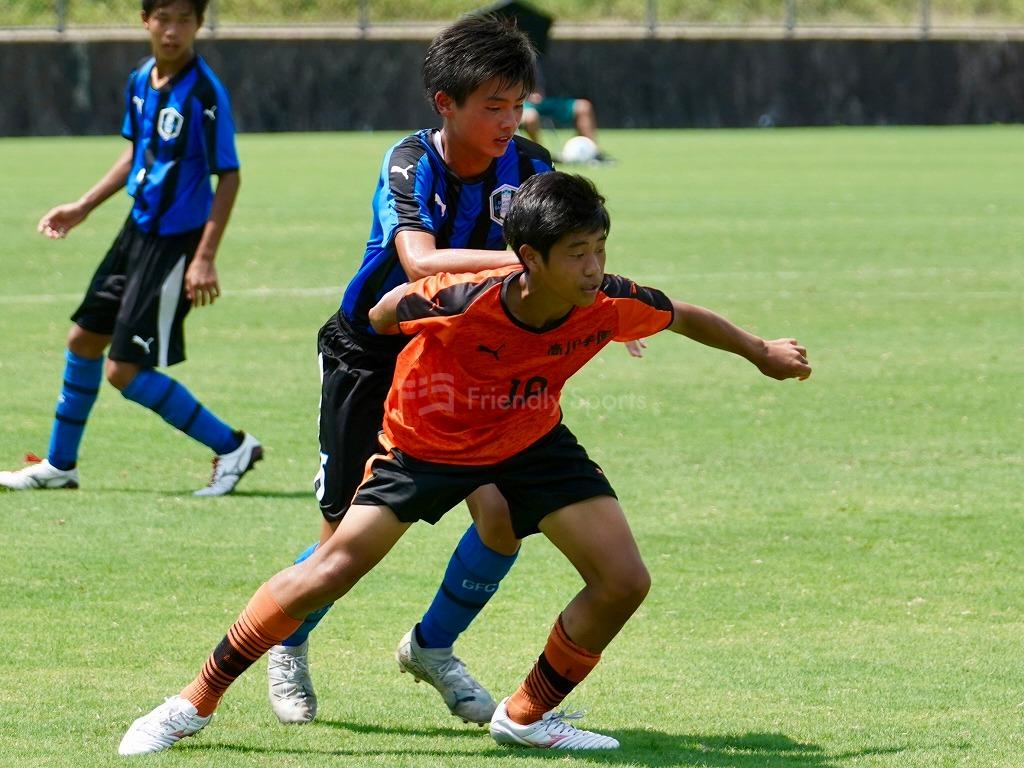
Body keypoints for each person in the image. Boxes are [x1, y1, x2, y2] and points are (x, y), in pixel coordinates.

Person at [118, 171, 812, 755]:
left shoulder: (606, 303)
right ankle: (193, 702)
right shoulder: (459, 298)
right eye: (577, 252)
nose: (594, 266)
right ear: (529, 259)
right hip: (425, 444)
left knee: (623, 580)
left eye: (599, 247)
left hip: (528, 440)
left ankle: (527, 716)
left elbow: (684, 314)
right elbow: (386, 312)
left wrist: (761, 352)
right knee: (330, 569)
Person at [264, 13, 554, 728]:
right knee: (342, 537)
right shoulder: (409, 162)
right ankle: (286, 643)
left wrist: (588, 296)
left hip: (463, 358)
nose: (508, 120)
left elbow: (564, 257)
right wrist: (527, 262)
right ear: (444, 104)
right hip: (371, 356)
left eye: (517, 104)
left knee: (502, 519)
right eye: (493, 106)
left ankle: (432, 646)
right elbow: (421, 262)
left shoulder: (533, 168)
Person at [0, 0, 261, 497]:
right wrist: (83, 206)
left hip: (176, 244)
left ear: (198, 25)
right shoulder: (142, 79)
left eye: (185, 20)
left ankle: (232, 447)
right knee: (83, 341)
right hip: (135, 232)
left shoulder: (204, 93)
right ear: (146, 21)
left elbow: (228, 175)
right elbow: (136, 154)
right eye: (163, 18)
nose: (173, 30)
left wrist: (204, 256)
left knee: (124, 369)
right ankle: (60, 465)